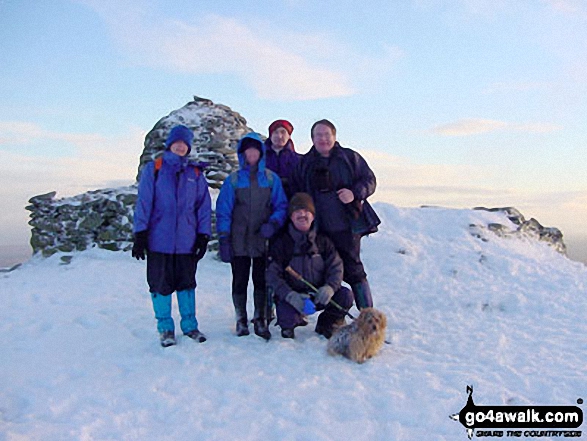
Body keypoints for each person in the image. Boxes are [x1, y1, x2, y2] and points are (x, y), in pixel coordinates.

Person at [132, 124, 212, 347]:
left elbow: (203, 207)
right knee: (160, 285)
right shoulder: (155, 169)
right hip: (159, 240)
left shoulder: (195, 174)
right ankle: (165, 329)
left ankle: (190, 326)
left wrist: (203, 235)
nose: (180, 147)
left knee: (187, 284)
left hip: (186, 242)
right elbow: (144, 202)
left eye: (184, 144)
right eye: (177, 143)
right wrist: (140, 233)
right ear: (170, 144)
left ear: (188, 147)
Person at [292, 119, 376, 309]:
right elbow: (295, 193)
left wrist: (354, 193)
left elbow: (369, 180)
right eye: (318, 135)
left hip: (346, 228)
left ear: (334, 136)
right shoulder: (304, 164)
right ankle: (332, 318)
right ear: (312, 139)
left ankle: (367, 318)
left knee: (354, 271)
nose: (323, 139)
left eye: (326, 134)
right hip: (318, 230)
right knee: (323, 273)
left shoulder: (350, 158)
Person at [216, 132, 288, 340]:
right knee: (239, 279)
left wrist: (274, 223)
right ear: (242, 153)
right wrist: (223, 237)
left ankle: (260, 317)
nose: (252, 153)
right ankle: (241, 318)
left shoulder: (271, 179)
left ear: (261, 152)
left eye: (255, 149)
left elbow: (281, 205)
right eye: (248, 150)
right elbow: (224, 209)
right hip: (239, 239)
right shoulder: (234, 180)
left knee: (261, 280)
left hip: (262, 239)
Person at [266, 193, 353, 339]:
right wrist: (290, 295)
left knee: (345, 296)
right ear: (291, 216)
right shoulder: (282, 244)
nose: (302, 214)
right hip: (295, 296)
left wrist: (330, 287)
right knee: (286, 315)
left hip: (319, 294)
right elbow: (272, 275)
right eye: (297, 211)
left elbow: (336, 267)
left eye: (306, 211)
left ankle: (327, 323)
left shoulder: (323, 241)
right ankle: (292, 323)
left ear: (313, 216)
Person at [263, 119, 299, 199]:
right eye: (276, 132)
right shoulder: (260, 158)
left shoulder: (298, 160)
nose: (279, 136)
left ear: (289, 136)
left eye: (283, 132)